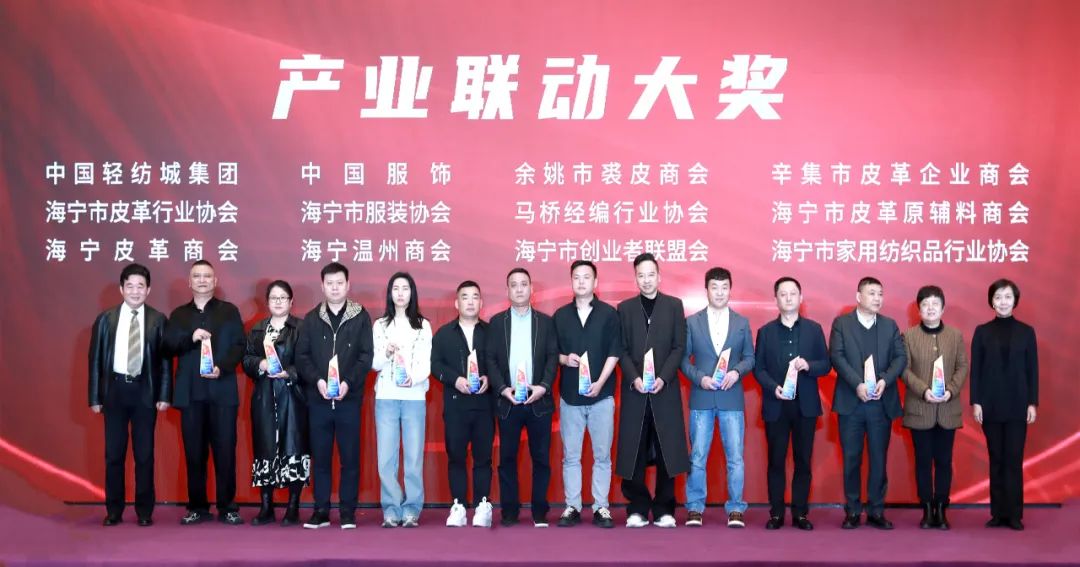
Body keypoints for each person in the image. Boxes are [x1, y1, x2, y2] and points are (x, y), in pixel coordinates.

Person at [88, 263, 171, 527]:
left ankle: (144, 511)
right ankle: (114, 510)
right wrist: (95, 397)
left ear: (148, 290)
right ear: (121, 289)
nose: (135, 291)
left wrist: (164, 394)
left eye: (140, 286)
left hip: (145, 391)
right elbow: (95, 360)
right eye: (130, 286)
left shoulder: (158, 320)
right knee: (114, 454)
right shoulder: (106, 319)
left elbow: (165, 362)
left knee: (144, 455)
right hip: (115, 392)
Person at [165, 260, 246, 525]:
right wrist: (191, 337)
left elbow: (239, 346)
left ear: (215, 281)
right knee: (194, 453)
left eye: (207, 276)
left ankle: (228, 507)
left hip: (222, 392)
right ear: (190, 282)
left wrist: (222, 367)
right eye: (197, 276)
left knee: (225, 452)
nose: (202, 280)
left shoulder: (229, 311)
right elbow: (167, 346)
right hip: (191, 394)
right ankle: (197, 507)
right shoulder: (179, 315)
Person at [295, 262, 373, 530]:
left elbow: (366, 356)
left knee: (350, 458)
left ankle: (348, 511)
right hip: (318, 400)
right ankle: (321, 511)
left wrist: (348, 383)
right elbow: (302, 356)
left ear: (348, 285)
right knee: (321, 458)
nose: (335, 288)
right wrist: (317, 380)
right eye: (330, 283)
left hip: (348, 399)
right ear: (322, 286)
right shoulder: (311, 318)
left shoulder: (360, 316)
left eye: (340, 283)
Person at [616, 253, 689, 529]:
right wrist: (634, 377)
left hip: (664, 390)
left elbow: (679, 347)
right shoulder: (625, 309)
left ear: (659, 276)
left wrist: (664, 377)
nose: (646, 280)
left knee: (666, 449)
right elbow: (621, 349)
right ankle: (636, 507)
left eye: (650, 274)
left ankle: (664, 508)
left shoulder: (673, 306)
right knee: (633, 450)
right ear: (635, 278)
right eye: (641, 275)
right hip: (635, 391)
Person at [752, 276, 830, 531]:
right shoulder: (765, 332)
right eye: (783, 294)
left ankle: (800, 514)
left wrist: (809, 365)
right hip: (776, 405)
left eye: (792, 293)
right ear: (776, 299)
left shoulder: (814, 329)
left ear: (801, 298)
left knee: (803, 461)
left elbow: (826, 364)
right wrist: (772, 387)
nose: (788, 298)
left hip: (804, 405)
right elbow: (758, 369)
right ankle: (776, 513)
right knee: (776, 461)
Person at [829, 276, 907, 530]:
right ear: (858, 296)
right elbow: (837, 357)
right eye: (872, 293)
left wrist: (885, 380)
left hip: (880, 404)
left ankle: (876, 510)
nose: (877, 298)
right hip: (851, 403)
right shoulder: (842, 324)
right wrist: (857, 384)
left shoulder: (889, 325)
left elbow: (900, 357)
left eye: (880, 294)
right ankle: (852, 510)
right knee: (851, 458)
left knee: (878, 460)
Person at [680, 267, 754, 528]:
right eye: (714, 287)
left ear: (730, 290)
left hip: (731, 398)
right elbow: (682, 360)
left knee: (735, 458)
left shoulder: (742, 323)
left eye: (724, 287)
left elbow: (750, 358)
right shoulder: (692, 322)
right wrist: (700, 378)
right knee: (697, 456)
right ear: (706, 290)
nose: (720, 292)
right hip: (702, 396)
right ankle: (695, 507)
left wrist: (736, 372)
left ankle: (736, 508)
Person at [486, 268, 558, 528]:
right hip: (509, 400)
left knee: (541, 459)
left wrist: (544, 387)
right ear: (507, 290)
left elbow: (552, 357)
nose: (519, 289)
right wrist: (502, 388)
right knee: (507, 459)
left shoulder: (545, 322)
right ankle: (509, 511)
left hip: (538, 399)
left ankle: (540, 511)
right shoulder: (497, 323)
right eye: (514, 285)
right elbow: (490, 359)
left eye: (524, 284)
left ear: (531, 289)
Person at [553, 260, 621, 528]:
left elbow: (615, 351)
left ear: (596, 282)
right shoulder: (560, 316)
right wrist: (563, 359)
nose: (581, 282)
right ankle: (572, 506)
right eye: (576, 277)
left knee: (602, 455)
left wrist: (600, 382)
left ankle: (601, 507)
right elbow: (551, 353)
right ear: (571, 281)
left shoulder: (609, 314)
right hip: (570, 397)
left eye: (586, 277)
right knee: (571, 456)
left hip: (601, 396)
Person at [971, 278, 1038, 531]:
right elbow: (976, 370)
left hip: (1018, 405)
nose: (1003, 302)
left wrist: (1032, 402)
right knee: (996, 458)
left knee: (1013, 460)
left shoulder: (1027, 332)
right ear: (991, 301)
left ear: (1015, 301)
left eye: (1008, 297)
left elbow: (1033, 370)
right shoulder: (982, 331)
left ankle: (1014, 515)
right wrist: (976, 402)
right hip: (990, 405)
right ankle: (998, 513)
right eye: (998, 297)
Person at [241, 280, 309, 527]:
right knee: (265, 449)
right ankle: (266, 506)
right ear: (267, 302)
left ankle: (293, 506)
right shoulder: (258, 329)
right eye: (274, 298)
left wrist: (289, 372)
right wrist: (260, 364)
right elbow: (246, 359)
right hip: (265, 396)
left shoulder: (301, 328)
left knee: (294, 448)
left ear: (291, 302)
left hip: (293, 396)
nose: (278, 302)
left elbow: (309, 361)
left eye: (283, 298)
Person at [900, 285, 968, 530]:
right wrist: (923, 390)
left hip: (948, 410)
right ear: (918, 310)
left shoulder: (955, 336)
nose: (930, 308)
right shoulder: (908, 336)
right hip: (920, 409)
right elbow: (904, 369)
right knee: (922, 461)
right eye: (925, 304)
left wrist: (950, 390)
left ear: (943, 308)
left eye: (935, 304)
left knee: (944, 461)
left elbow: (962, 366)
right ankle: (927, 509)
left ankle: (941, 508)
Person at [371, 272, 433, 528]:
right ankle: (391, 508)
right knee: (386, 457)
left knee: (413, 456)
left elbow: (426, 363)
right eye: (395, 288)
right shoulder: (380, 325)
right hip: (386, 396)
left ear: (412, 293)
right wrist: (386, 353)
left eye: (405, 288)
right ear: (389, 293)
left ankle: (411, 509)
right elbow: (374, 363)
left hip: (414, 396)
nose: (400, 293)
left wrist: (412, 379)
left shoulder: (423, 325)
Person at [433, 281, 495, 528]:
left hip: (484, 405)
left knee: (483, 458)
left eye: (475, 297)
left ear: (481, 302)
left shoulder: (491, 332)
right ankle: (458, 506)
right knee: (456, 457)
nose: (470, 302)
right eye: (465, 297)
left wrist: (490, 378)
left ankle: (482, 505)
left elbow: (500, 363)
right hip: (456, 406)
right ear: (456, 303)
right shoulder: (444, 334)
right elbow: (435, 364)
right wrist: (455, 380)